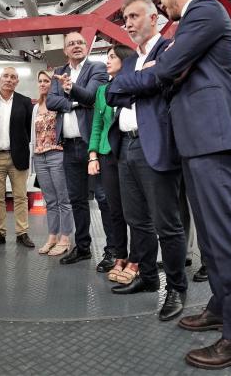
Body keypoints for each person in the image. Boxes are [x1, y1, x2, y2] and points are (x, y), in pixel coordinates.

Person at [115, 0, 231, 368]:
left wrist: (121, 85)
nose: (161, 4)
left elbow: (166, 70)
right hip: (196, 144)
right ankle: (221, 307)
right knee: (210, 241)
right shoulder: (189, 27)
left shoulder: (205, 11)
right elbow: (170, 72)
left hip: (212, 140)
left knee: (226, 239)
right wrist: (166, 73)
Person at [106, 0, 188, 322]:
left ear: (154, 18)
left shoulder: (167, 49)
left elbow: (159, 80)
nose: (127, 23)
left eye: (134, 16)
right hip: (125, 146)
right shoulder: (129, 61)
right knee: (136, 219)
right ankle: (149, 279)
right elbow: (111, 91)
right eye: (125, 18)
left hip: (155, 145)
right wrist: (139, 81)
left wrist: (136, 83)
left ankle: (176, 288)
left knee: (167, 224)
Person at [46, 32, 113, 269]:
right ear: (65, 50)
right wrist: (75, 102)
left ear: (87, 47)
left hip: (91, 145)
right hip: (69, 145)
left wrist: (71, 89)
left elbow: (92, 95)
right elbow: (50, 102)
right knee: (76, 200)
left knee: (104, 198)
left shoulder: (96, 68)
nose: (76, 46)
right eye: (71, 44)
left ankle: (112, 251)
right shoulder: (59, 72)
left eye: (80, 43)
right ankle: (83, 247)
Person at [88, 44, 138, 282]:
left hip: (130, 152)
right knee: (114, 208)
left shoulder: (135, 85)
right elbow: (97, 125)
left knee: (135, 210)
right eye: (106, 56)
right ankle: (120, 255)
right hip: (108, 154)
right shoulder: (102, 91)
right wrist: (93, 154)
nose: (107, 61)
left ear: (124, 60)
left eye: (112, 57)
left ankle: (137, 259)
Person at [0, 67, 34, 249]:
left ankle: (22, 233)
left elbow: (29, 129)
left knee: (20, 196)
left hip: (18, 156)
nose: (9, 79)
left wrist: (23, 146)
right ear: (0, 79)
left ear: (17, 82)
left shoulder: (24, 102)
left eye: (13, 77)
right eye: (6, 76)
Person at [30, 70, 73, 256]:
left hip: (57, 154)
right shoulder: (36, 107)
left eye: (46, 80)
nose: (42, 84)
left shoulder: (59, 104)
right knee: (50, 200)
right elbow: (34, 135)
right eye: (40, 81)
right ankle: (52, 237)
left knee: (64, 199)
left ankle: (65, 238)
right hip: (40, 157)